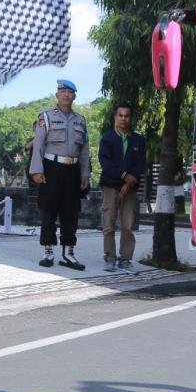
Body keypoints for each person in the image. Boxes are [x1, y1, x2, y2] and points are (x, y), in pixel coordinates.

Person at [29, 80, 91, 270]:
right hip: (51, 168)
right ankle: (48, 252)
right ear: (57, 95)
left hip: (72, 170)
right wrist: (36, 170)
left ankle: (68, 253)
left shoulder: (80, 120)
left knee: (71, 212)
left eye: (70, 92)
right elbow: (38, 144)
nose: (66, 95)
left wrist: (85, 173)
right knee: (49, 210)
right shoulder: (46, 117)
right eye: (63, 91)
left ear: (74, 96)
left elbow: (85, 150)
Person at [98, 103, 145, 272]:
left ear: (130, 118)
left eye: (127, 115)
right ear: (115, 117)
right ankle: (109, 257)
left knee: (128, 225)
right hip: (110, 186)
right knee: (109, 223)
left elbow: (140, 164)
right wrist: (124, 176)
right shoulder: (107, 138)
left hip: (131, 188)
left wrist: (128, 183)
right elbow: (105, 162)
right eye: (120, 115)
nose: (123, 119)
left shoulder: (138, 140)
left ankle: (125, 259)